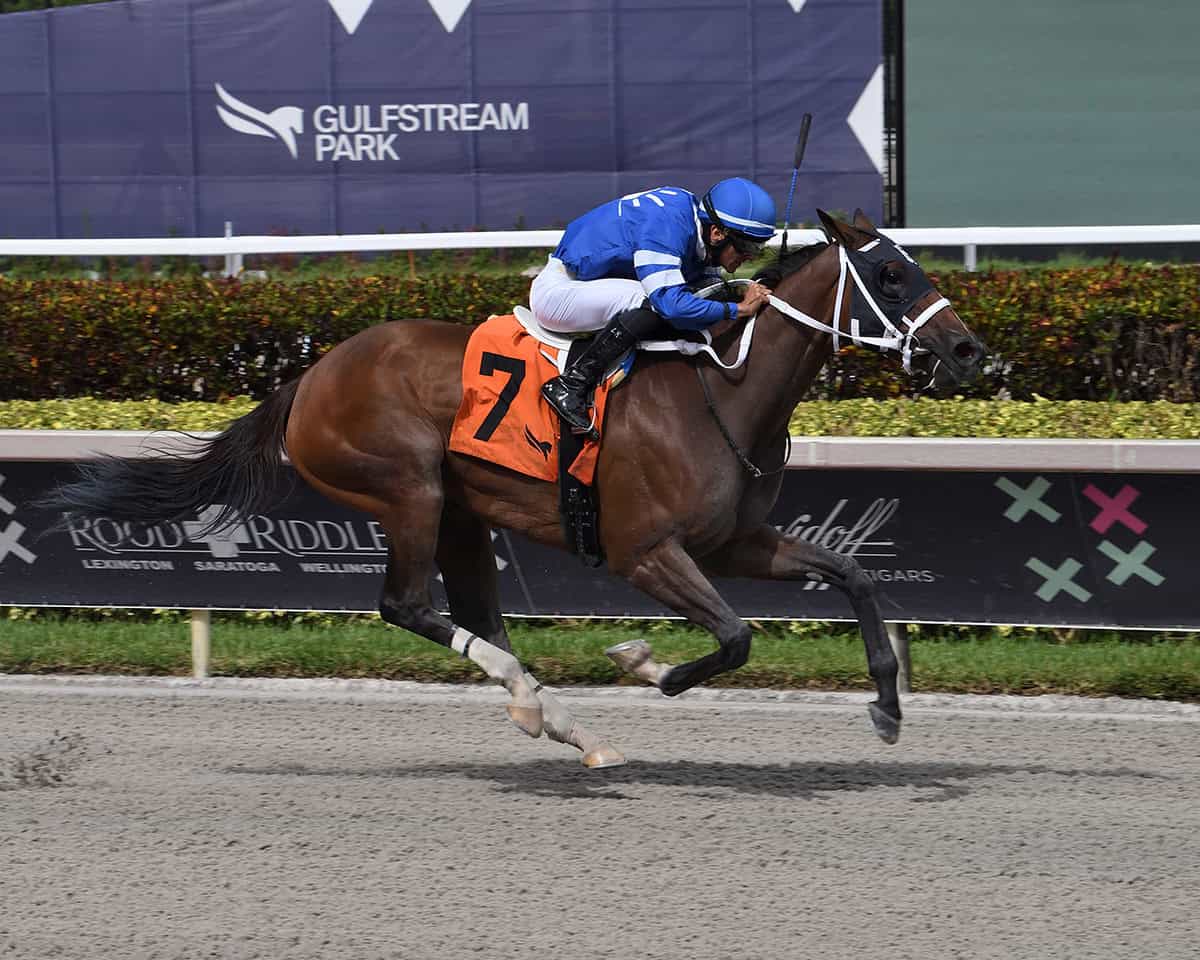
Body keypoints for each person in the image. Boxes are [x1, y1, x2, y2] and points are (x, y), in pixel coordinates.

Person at [532, 177, 775, 436]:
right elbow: (672, 306)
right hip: (559, 292)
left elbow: (708, 288)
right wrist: (739, 309)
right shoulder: (667, 226)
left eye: (758, 248)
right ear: (717, 234)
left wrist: (739, 292)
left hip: (589, 286)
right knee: (653, 302)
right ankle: (571, 384)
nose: (751, 257)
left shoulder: (692, 223)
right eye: (747, 247)